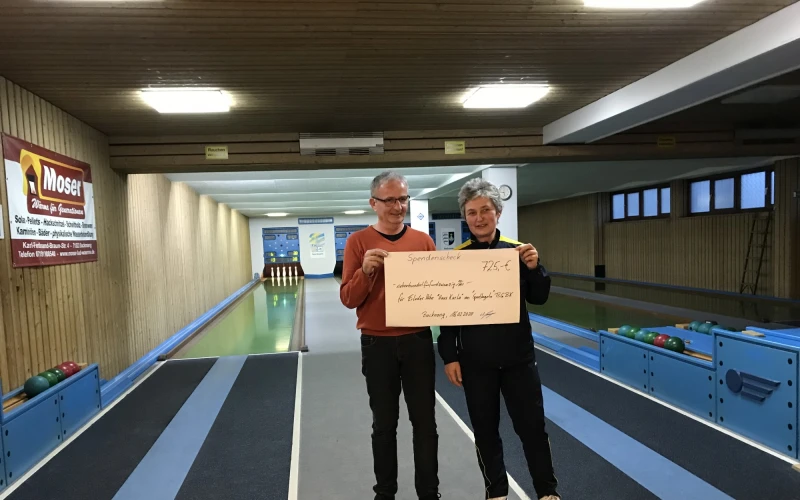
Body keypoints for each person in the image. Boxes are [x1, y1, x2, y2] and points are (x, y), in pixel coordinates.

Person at [437, 178, 560, 500]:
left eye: (485, 210)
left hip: (519, 361)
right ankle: (496, 492)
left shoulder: (518, 252)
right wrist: (450, 356)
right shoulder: (456, 258)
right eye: (472, 212)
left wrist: (536, 268)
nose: (479, 218)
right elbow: (448, 316)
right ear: (465, 217)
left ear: (498, 212)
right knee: (485, 432)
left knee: (532, 429)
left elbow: (539, 297)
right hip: (477, 364)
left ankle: (547, 491)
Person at [340, 171, 440, 500]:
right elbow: (348, 299)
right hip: (377, 343)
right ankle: (385, 493)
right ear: (374, 203)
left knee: (425, 424)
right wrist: (365, 272)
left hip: (418, 341)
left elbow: (438, 293)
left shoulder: (423, 242)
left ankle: (429, 493)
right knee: (384, 425)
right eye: (390, 200)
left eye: (403, 199)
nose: (398, 206)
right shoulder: (358, 242)